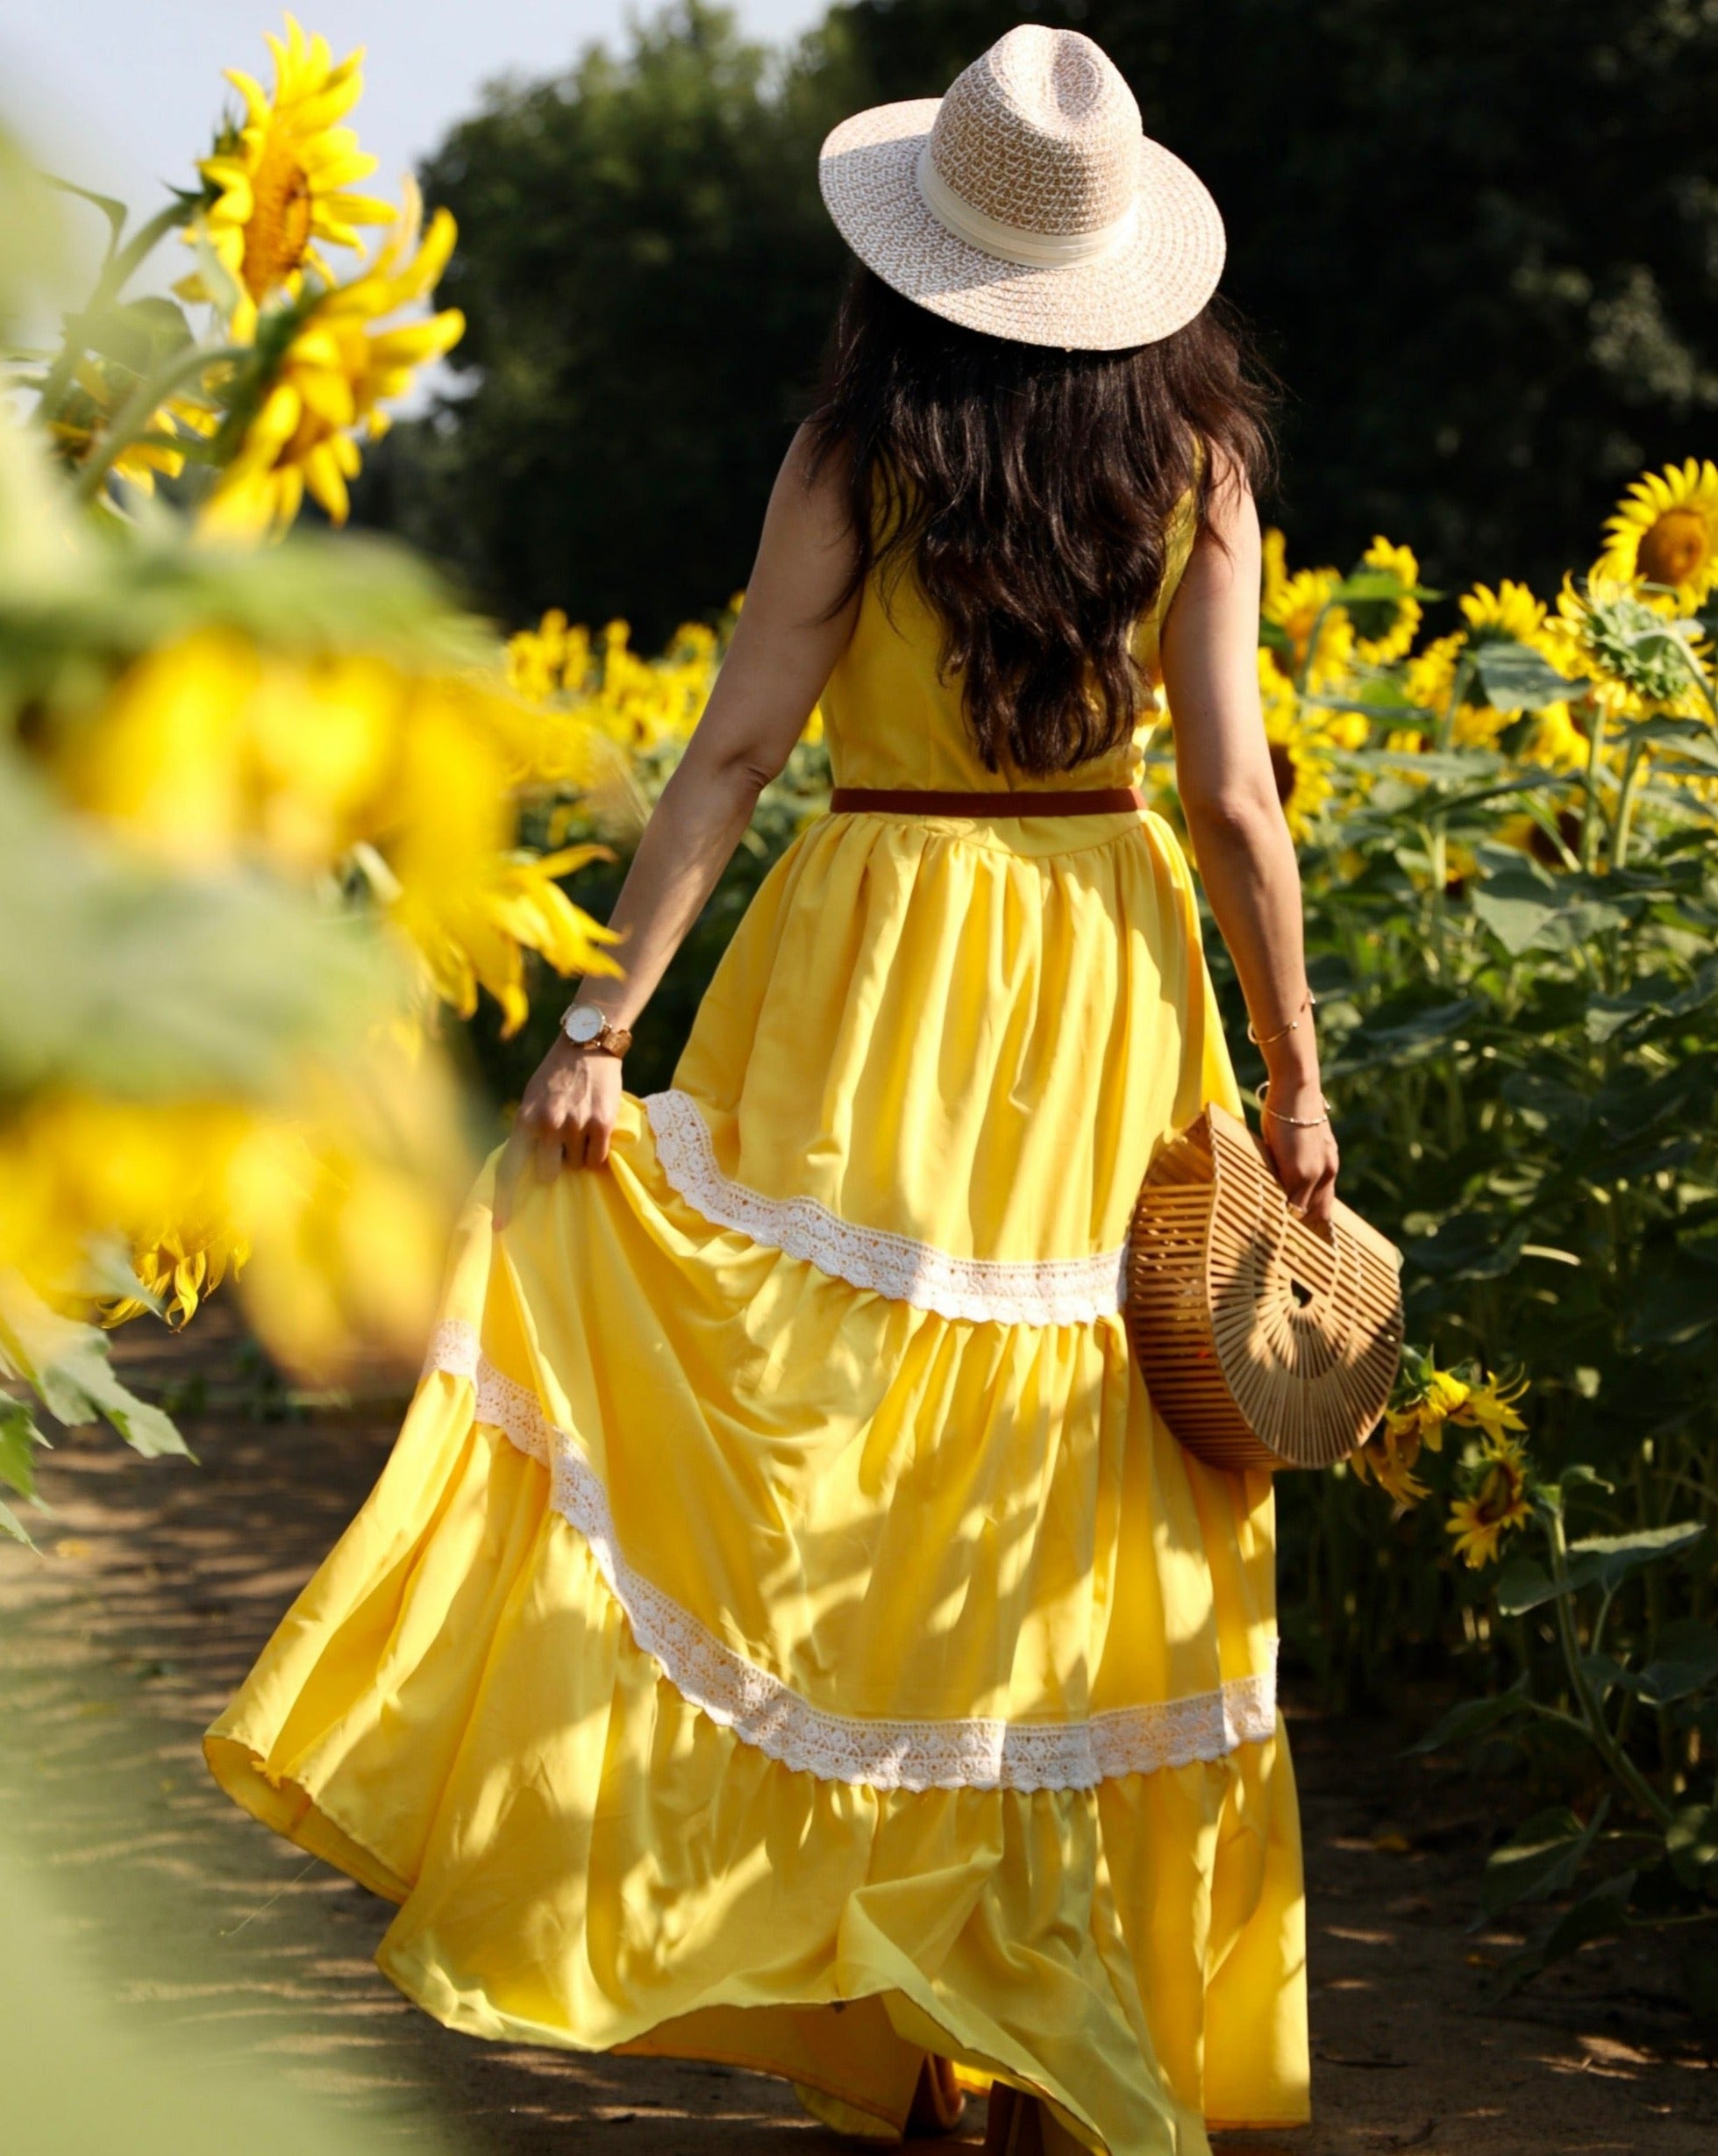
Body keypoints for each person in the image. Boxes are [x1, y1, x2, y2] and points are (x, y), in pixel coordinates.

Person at [205, 25, 1333, 2156]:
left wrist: (597, 1024)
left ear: (921, 247)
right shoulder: (1197, 459)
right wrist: (1291, 1075)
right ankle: (1036, 1997)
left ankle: (912, 1992)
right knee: (1068, 1476)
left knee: (837, 1450)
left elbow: (726, 750)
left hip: (874, 949)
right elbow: (1228, 798)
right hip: (1102, 961)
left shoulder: (855, 447)